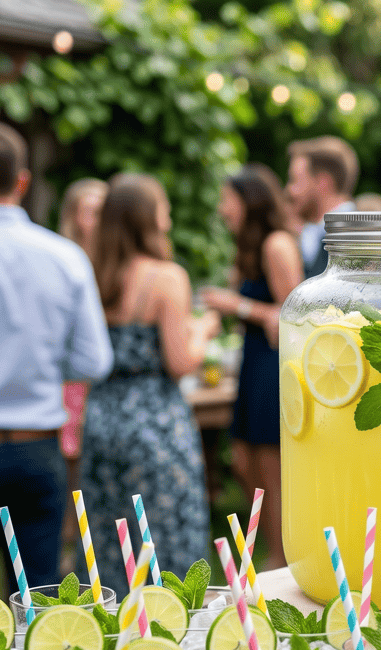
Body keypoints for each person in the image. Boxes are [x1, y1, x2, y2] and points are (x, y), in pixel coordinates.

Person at [77, 174, 218, 599]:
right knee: (165, 535)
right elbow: (180, 363)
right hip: (154, 421)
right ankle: (173, 630)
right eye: (164, 206)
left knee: (109, 538)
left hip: (102, 418)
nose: (170, 216)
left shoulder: (92, 275)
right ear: (148, 216)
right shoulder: (166, 277)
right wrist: (204, 330)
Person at [0, 125, 112, 597]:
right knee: (41, 599)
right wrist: (40, 362)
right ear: (22, 182)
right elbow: (93, 360)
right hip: (34, 445)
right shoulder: (64, 257)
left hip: (36, 444)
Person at [202, 164, 303, 571]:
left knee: (269, 464)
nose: (223, 209)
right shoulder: (247, 246)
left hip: (272, 362)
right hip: (251, 359)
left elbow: (292, 314)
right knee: (242, 459)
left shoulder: (277, 244)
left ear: (249, 201)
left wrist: (237, 305)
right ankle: (272, 548)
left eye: (228, 199)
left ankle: (281, 558)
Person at [58, 177, 110, 570]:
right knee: (69, 468)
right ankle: (66, 552)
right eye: (92, 210)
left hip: (103, 384)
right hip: (72, 382)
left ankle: (84, 550)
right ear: (75, 217)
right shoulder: (67, 260)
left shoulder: (115, 263)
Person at [286, 136, 359, 278]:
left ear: (322, 182)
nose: (289, 190)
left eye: (294, 180)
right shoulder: (312, 232)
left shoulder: (353, 239)